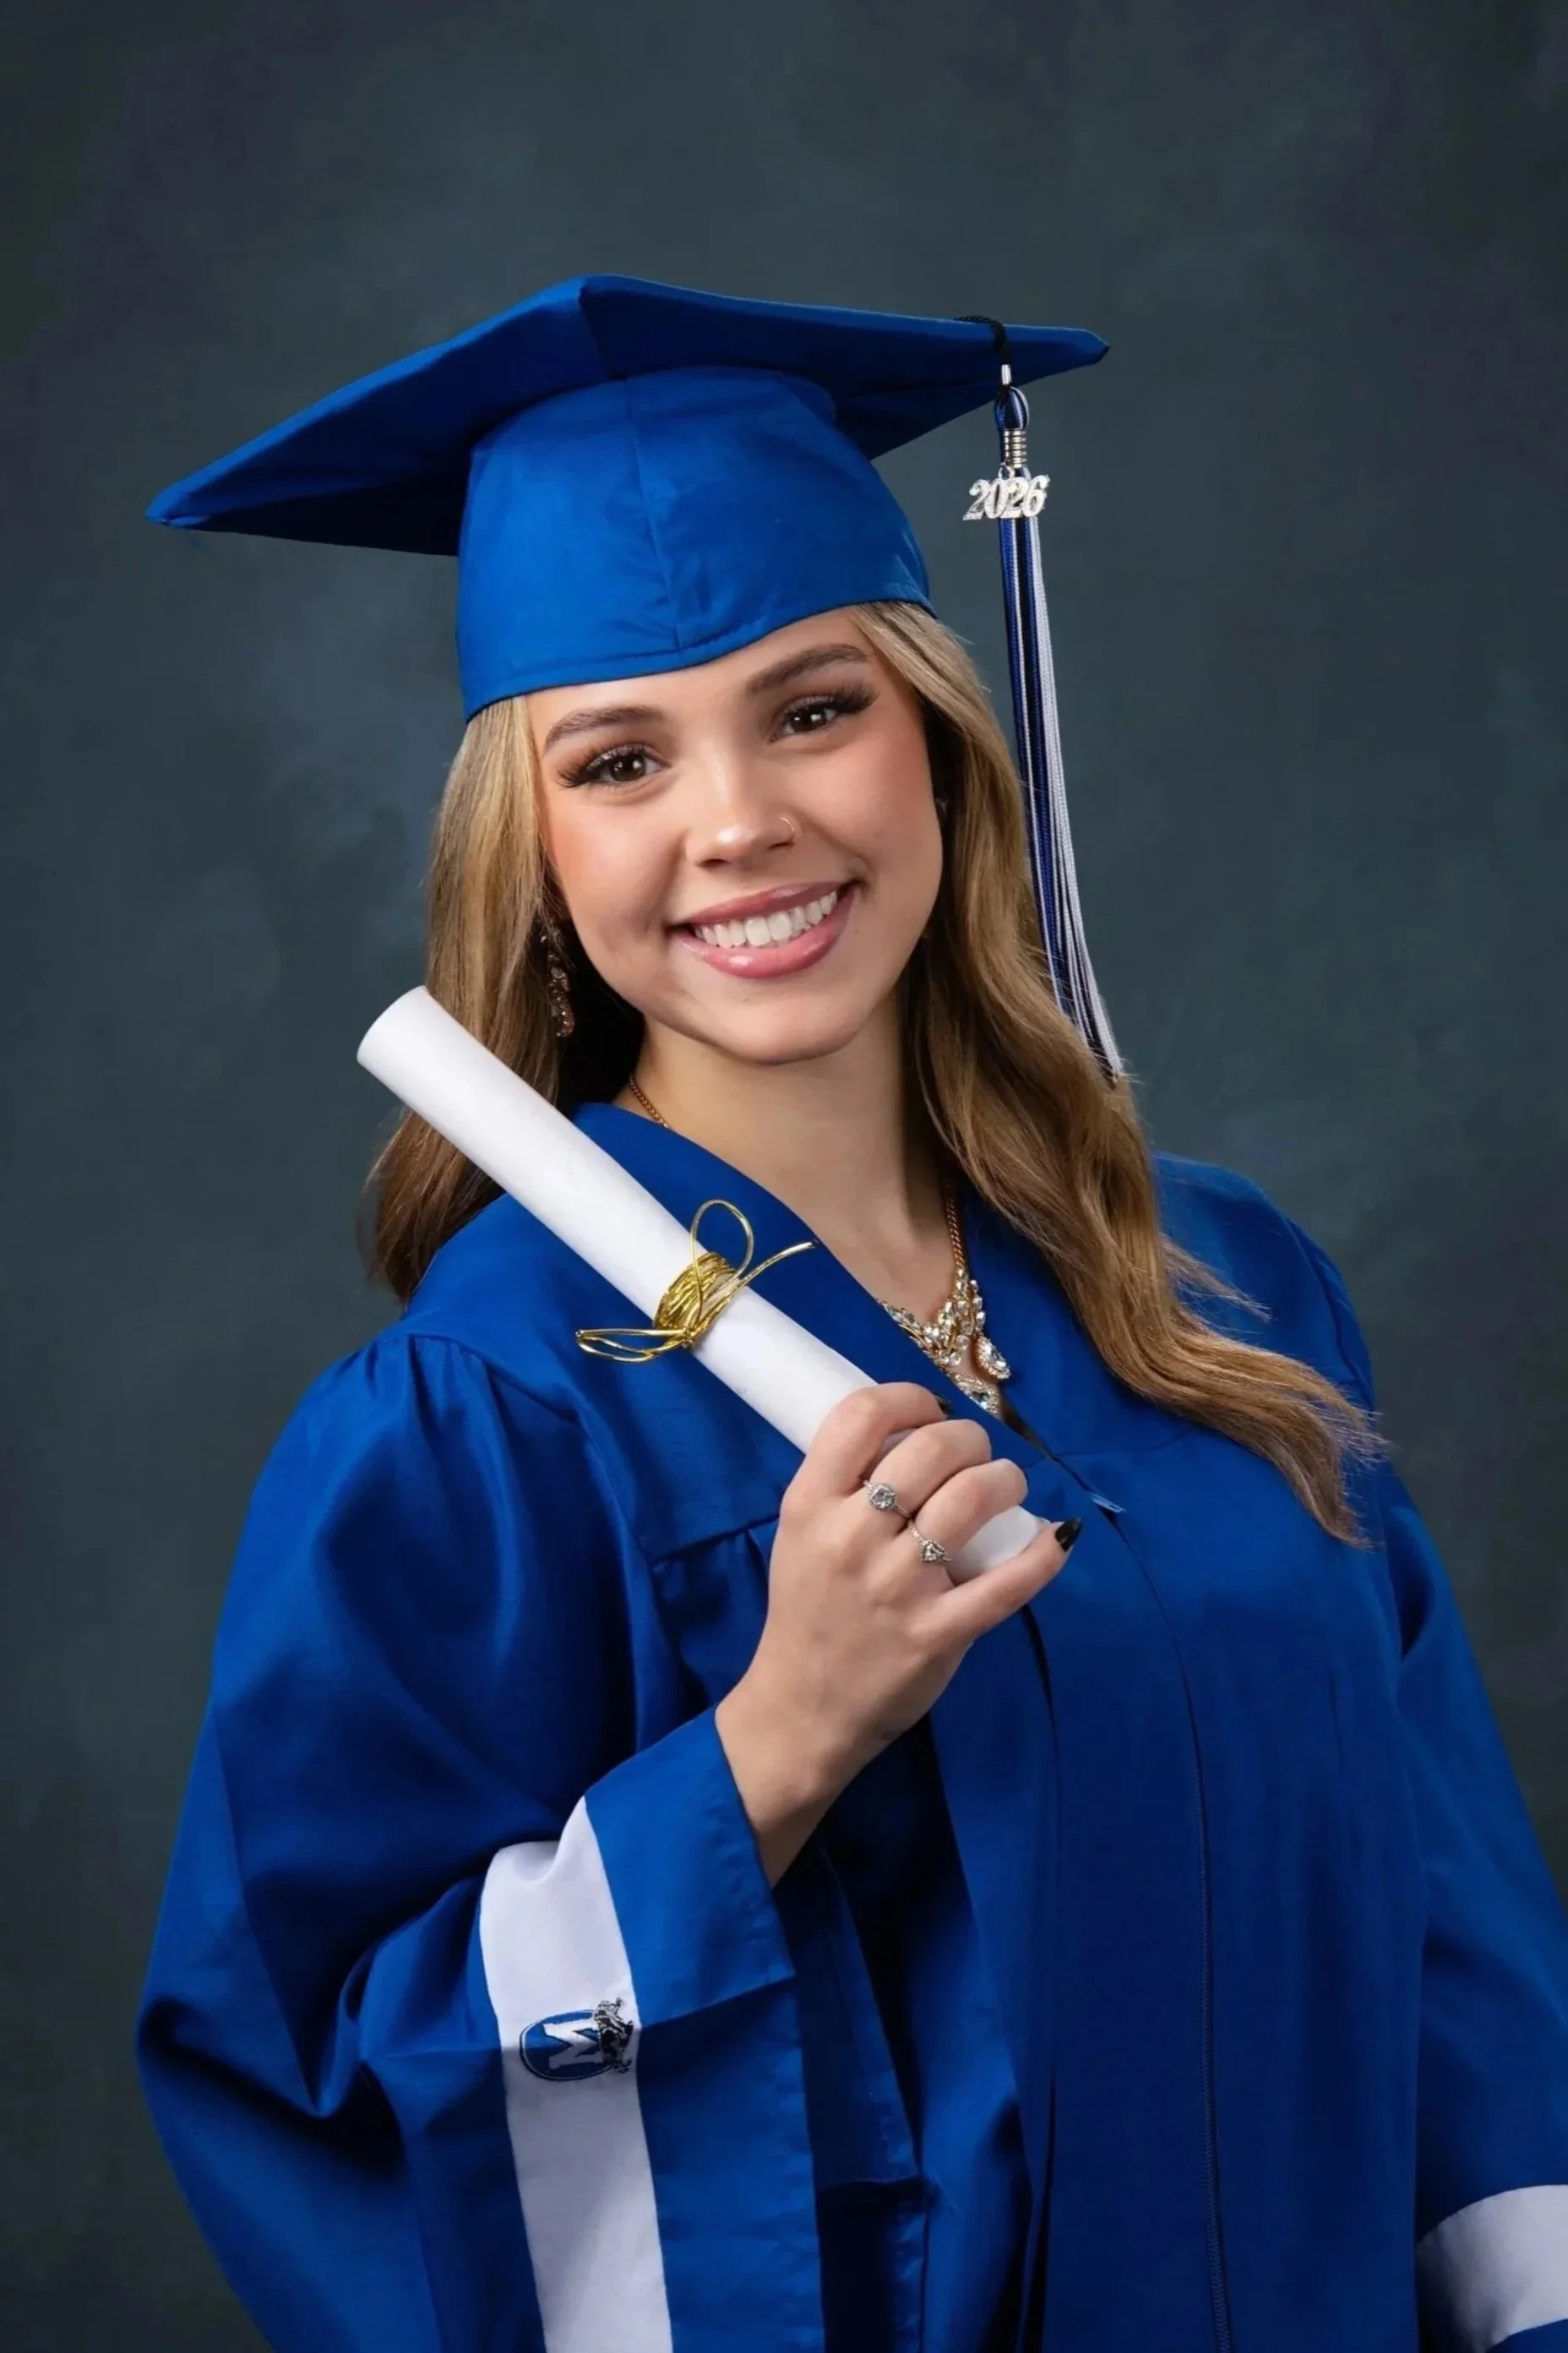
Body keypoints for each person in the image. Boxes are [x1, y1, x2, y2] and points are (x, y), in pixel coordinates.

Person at [138, 276, 1568, 2353]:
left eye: (814, 709)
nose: (741, 824)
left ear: (941, 751)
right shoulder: (485, 1415)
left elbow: (1453, 1929)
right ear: (534, 859)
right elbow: (323, 2085)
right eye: (620, 758)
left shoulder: (1221, 1280)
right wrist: (766, 1751)